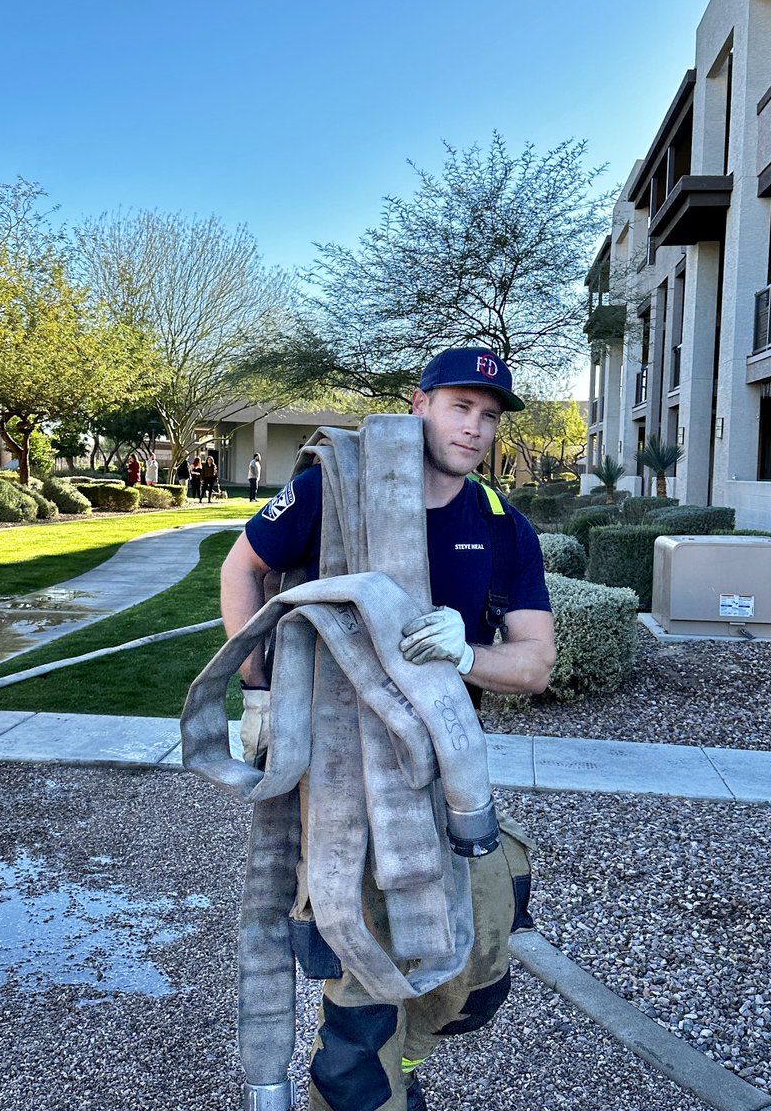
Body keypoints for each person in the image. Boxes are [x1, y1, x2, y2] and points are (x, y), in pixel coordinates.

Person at [219, 347, 555, 1111]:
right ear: (420, 404)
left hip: (441, 766)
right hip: (336, 772)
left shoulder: (503, 529)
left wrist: (467, 653)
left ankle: (400, 1056)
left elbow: (535, 663)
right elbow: (242, 570)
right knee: (358, 945)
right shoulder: (332, 490)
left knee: (478, 966)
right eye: (460, 407)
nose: (475, 428)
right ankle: (354, 1087)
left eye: (489, 416)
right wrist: (257, 688)